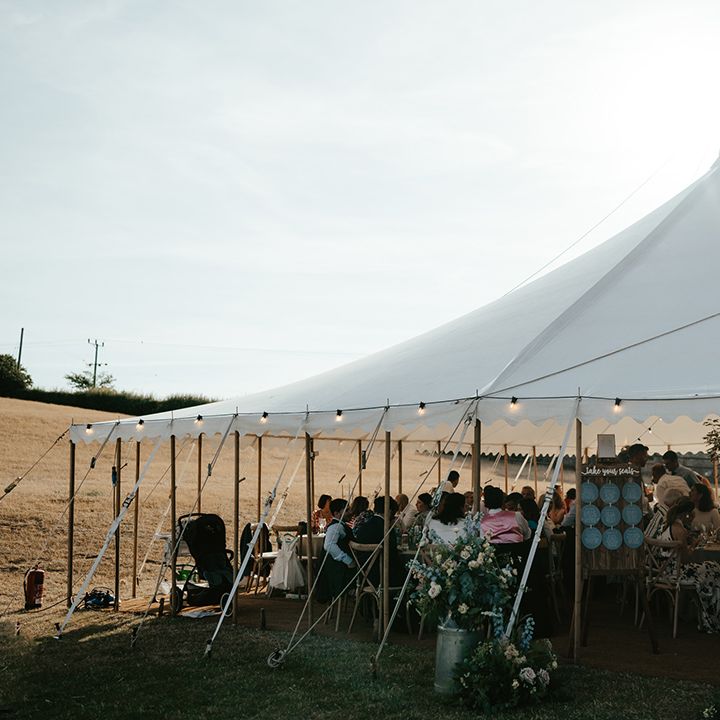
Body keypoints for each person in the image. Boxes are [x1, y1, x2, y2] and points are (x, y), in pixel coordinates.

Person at [658, 498, 720, 633]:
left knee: (711, 567)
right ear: (685, 514)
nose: (693, 517)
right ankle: (710, 617)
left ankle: (705, 614)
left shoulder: (667, 526)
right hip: (677, 573)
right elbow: (686, 560)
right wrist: (694, 545)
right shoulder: (681, 531)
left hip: (664, 571)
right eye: (691, 514)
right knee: (715, 569)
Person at [353, 495, 402, 584]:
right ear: (389, 511)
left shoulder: (364, 526)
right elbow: (392, 553)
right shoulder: (386, 529)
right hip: (383, 576)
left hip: (363, 574)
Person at [319, 498, 355, 602]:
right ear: (337, 513)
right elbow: (329, 545)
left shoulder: (340, 525)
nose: (350, 512)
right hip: (338, 572)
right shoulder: (336, 527)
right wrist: (348, 560)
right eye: (347, 510)